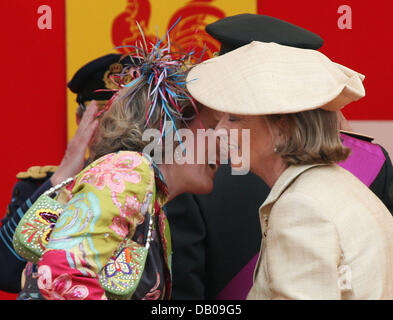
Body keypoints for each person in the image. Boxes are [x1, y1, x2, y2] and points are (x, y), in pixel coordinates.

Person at [166, 13, 393, 300]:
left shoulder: (301, 207)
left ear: (283, 128)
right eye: (220, 118)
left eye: (234, 119)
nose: (219, 131)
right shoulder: (332, 187)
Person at [32, 35, 221, 300]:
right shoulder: (127, 171)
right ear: (170, 130)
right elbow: (61, 277)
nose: (224, 141)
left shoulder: (153, 203)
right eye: (212, 127)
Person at [0, 53, 122, 294]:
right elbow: (6, 271)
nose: (120, 129)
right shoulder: (40, 188)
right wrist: (60, 179)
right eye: (106, 118)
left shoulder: (166, 189)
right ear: (80, 119)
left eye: (129, 116)